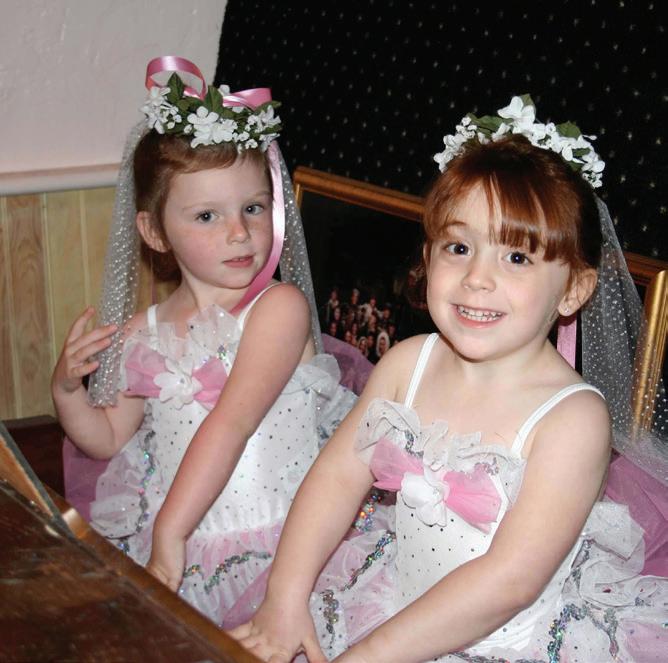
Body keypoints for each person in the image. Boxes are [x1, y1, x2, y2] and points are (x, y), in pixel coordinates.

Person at [230, 96, 668, 662]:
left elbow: (509, 580)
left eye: (517, 258)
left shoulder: (573, 419)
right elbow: (335, 479)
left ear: (574, 290)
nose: (477, 278)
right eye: (459, 248)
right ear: (428, 254)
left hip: (502, 641)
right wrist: (285, 596)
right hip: (390, 601)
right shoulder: (406, 365)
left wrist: (368, 656)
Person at [51, 56, 355, 628]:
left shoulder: (277, 310)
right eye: (208, 216)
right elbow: (108, 439)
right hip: (185, 550)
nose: (239, 232)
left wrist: (170, 529)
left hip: (286, 545)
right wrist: (67, 391)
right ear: (154, 232)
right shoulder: (142, 332)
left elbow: (232, 422)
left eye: (252, 208)